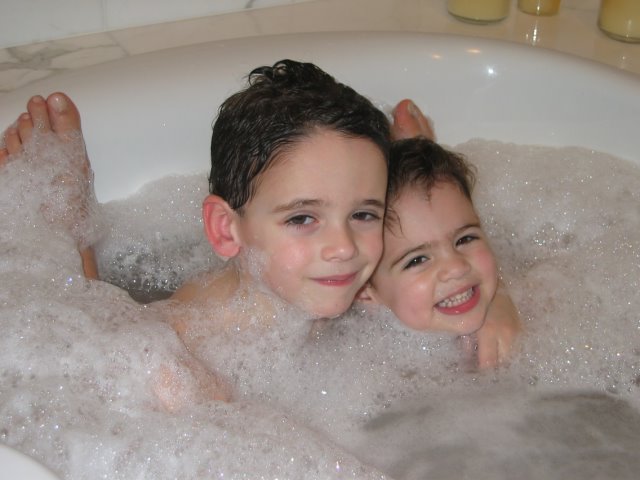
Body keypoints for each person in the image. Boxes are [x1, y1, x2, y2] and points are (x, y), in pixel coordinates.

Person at [358, 136, 520, 367]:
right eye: (417, 260)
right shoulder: (366, 364)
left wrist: (501, 300)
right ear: (364, 290)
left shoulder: (529, 301)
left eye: (465, 239)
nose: (456, 267)